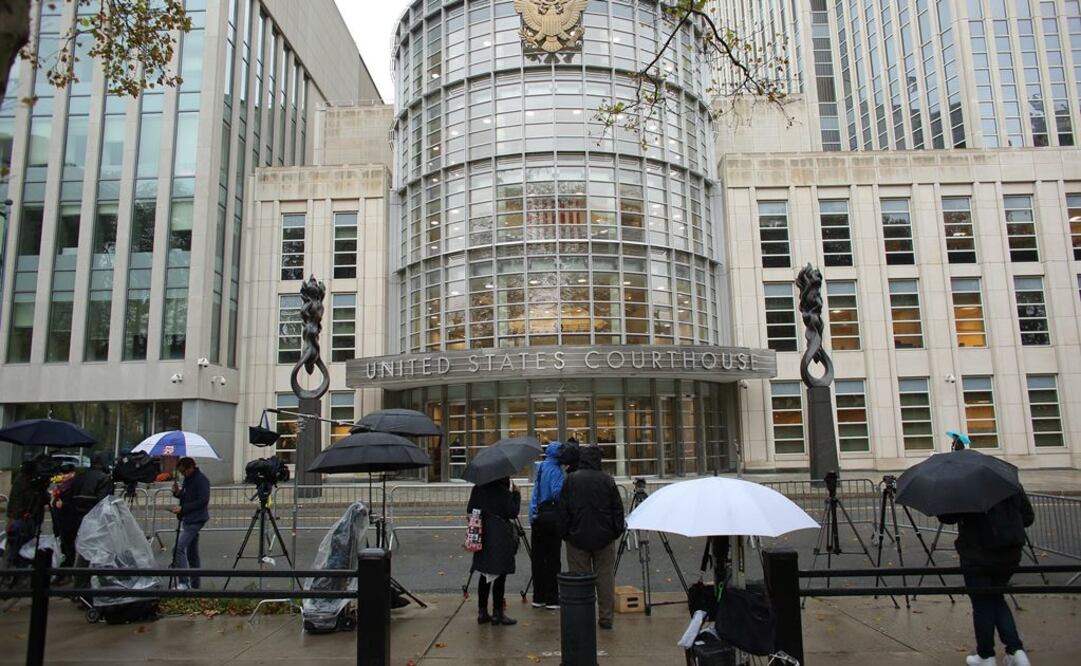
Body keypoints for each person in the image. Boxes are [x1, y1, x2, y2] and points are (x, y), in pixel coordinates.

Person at [940, 489, 1035, 666]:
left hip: (978, 554)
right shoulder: (1006, 481)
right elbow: (1028, 518)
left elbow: (947, 518)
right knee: (997, 598)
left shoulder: (963, 486)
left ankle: (986, 655)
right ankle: (1016, 650)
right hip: (1010, 552)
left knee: (982, 602)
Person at [558, 445, 624, 630]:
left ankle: (582, 616)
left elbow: (563, 510)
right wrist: (615, 531)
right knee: (605, 578)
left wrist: (566, 533)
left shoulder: (571, 480)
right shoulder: (607, 480)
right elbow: (617, 509)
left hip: (577, 537)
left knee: (580, 579)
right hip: (604, 537)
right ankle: (606, 617)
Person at [466, 476, 521, 626]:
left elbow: (470, 510)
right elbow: (512, 512)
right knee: (500, 574)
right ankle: (498, 612)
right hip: (499, 535)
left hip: (482, 534)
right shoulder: (502, 491)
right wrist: (516, 494)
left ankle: (482, 612)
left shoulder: (478, 488)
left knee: (484, 574)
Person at [529, 441, 566, 609]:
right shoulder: (556, 470)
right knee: (552, 558)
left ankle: (538, 596)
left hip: (539, 516)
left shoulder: (542, 467)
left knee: (538, 558)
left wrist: (532, 514)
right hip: (552, 515)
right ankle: (552, 598)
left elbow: (536, 491)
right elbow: (557, 493)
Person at [170, 457, 210, 590]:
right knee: (192, 554)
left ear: (191, 467)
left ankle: (184, 581)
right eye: (180, 472)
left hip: (196, 519)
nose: (182, 474)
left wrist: (183, 508)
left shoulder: (201, 480)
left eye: (184, 471)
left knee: (178, 549)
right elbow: (187, 496)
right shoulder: (188, 479)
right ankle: (195, 585)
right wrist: (177, 493)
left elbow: (203, 500)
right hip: (189, 518)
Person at [5, 457, 48, 566]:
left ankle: (12, 570)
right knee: (19, 545)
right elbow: (40, 499)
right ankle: (15, 570)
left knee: (16, 545)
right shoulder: (28, 481)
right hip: (23, 517)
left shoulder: (23, 478)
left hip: (21, 516)